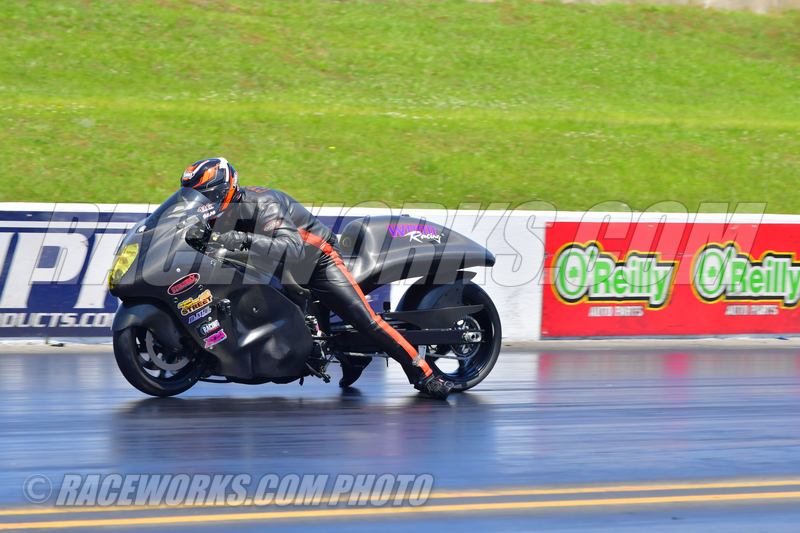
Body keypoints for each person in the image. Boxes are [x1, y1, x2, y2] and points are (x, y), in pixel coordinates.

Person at [179, 157, 454, 400]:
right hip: (277, 262)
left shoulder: (262, 204)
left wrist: (241, 238)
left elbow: (292, 248)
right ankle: (346, 356)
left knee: (367, 321)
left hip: (316, 259)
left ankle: (425, 375)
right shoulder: (220, 211)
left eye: (208, 194)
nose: (204, 201)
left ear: (225, 189)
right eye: (198, 196)